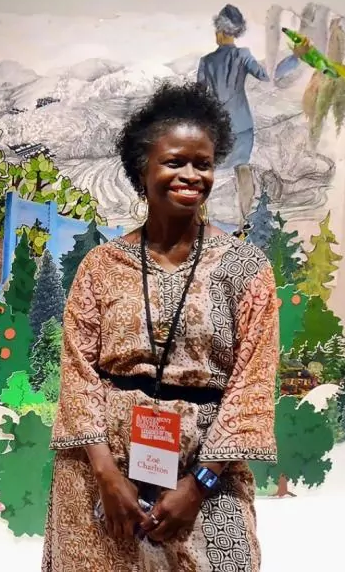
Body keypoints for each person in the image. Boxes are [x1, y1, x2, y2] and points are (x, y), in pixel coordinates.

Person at [41, 81, 280, 572]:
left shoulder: (246, 268)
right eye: (175, 162)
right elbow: (79, 376)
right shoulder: (101, 267)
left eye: (203, 164)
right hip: (101, 474)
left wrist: (198, 486)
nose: (191, 175)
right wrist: (107, 476)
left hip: (207, 472)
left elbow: (251, 387)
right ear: (142, 169)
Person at [197, 3, 309, 234]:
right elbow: (268, 74)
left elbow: (199, 96)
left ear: (221, 31)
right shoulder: (243, 55)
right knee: (243, 172)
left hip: (216, 128)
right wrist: (295, 57)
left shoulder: (206, 62)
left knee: (205, 173)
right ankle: (243, 224)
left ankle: (198, 222)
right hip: (242, 126)